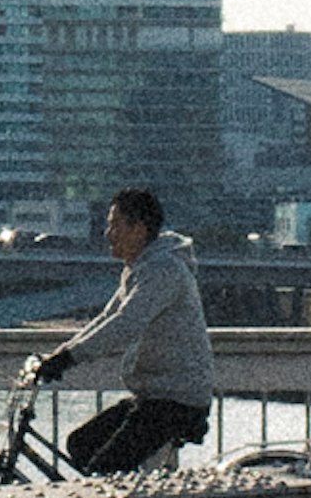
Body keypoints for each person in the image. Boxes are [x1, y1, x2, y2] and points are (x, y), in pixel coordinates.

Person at [27, 184, 213, 478]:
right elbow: (107, 317)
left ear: (138, 229)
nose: (107, 233)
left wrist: (69, 358)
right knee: (81, 444)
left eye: (114, 225)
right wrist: (62, 354)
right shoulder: (140, 268)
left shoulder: (164, 270)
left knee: (106, 467)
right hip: (154, 395)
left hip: (176, 400)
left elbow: (125, 323)